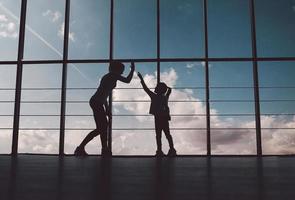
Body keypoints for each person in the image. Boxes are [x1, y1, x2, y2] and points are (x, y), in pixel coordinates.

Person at [75, 61, 135, 157]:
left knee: (102, 128)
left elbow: (104, 95)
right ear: (117, 69)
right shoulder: (113, 75)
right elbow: (127, 80)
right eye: (122, 70)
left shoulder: (108, 76)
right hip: (97, 102)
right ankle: (83, 148)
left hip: (97, 102)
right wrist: (132, 70)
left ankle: (102, 149)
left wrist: (107, 109)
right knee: (102, 128)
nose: (122, 72)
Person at [137, 72, 177, 157]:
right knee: (167, 134)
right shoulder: (165, 97)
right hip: (165, 118)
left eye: (157, 87)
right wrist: (167, 88)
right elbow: (169, 91)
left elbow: (145, 88)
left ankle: (159, 151)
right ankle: (172, 149)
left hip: (158, 118)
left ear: (158, 89)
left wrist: (141, 79)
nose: (155, 87)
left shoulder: (154, 96)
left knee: (158, 135)